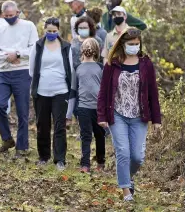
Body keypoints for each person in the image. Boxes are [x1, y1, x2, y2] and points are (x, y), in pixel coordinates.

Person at [97, 27, 162, 202]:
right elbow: (103, 92)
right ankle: (126, 192)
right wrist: (101, 116)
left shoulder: (146, 63)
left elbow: (152, 93)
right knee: (123, 152)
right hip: (117, 114)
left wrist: (157, 119)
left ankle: (128, 177)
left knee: (137, 157)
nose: (134, 46)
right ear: (123, 44)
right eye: (130, 44)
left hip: (139, 116)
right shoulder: (113, 63)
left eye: (136, 44)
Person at [0, 0, 39, 158]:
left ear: (18, 12)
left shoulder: (29, 26)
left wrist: (18, 54)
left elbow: (34, 48)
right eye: (6, 16)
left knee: (22, 111)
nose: (9, 18)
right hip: (4, 72)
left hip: (22, 72)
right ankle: (7, 139)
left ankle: (22, 146)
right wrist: (8, 57)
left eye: (12, 15)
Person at [29, 17, 74, 171]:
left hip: (61, 91)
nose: (52, 34)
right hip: (42, 92)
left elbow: (70, 70)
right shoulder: (38, 46)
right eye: (49, 31)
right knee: (42, 125)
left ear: (59, 31)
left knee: (59, 125)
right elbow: (31, 68)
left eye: (54, 31)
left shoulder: (65, 46)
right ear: (44, 30)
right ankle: (43, 156)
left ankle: (60, 159)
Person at [67, 38, 105, 173]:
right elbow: (72, 91)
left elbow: (106, 90)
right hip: (83, 108)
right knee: (86, 136)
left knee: (100, 136)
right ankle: (85, 164)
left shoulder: (101, 67)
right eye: (86, 46)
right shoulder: (77, 68)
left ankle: (101, 161)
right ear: (82, 49)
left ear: (96, 49)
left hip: (99, 109)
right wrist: (69, 114)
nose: (88, 48)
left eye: (91, 46)